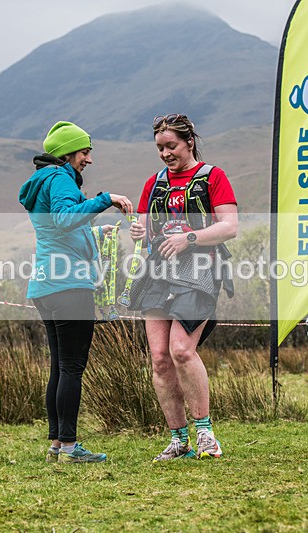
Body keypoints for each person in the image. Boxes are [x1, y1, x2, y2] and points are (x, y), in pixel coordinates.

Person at [19, 121, 133, 463]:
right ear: (67, 154)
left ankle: (57, 443)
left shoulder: (44, 181)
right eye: (85, 152)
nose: (89, 160)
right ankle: (70, 447)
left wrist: (97, 235)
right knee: (71, 367)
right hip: (69, 285)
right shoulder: (60, 179)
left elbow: (60, 228)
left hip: (45, 285)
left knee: (59, 366)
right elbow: (66, 218)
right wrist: (106, 199)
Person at [129, 114, 238, 461]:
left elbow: (230, 226)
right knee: (160, 358)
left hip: (201, 271)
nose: (165, 153)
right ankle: (179, 441)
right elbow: (144, 227)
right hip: (158, 273)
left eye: (171, 146)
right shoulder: (155, 183)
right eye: (160, 148)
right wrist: (138, 231)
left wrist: (188, 239)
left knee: (181, 351)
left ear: (189, 142)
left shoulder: (212, 177)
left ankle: (205, 433)